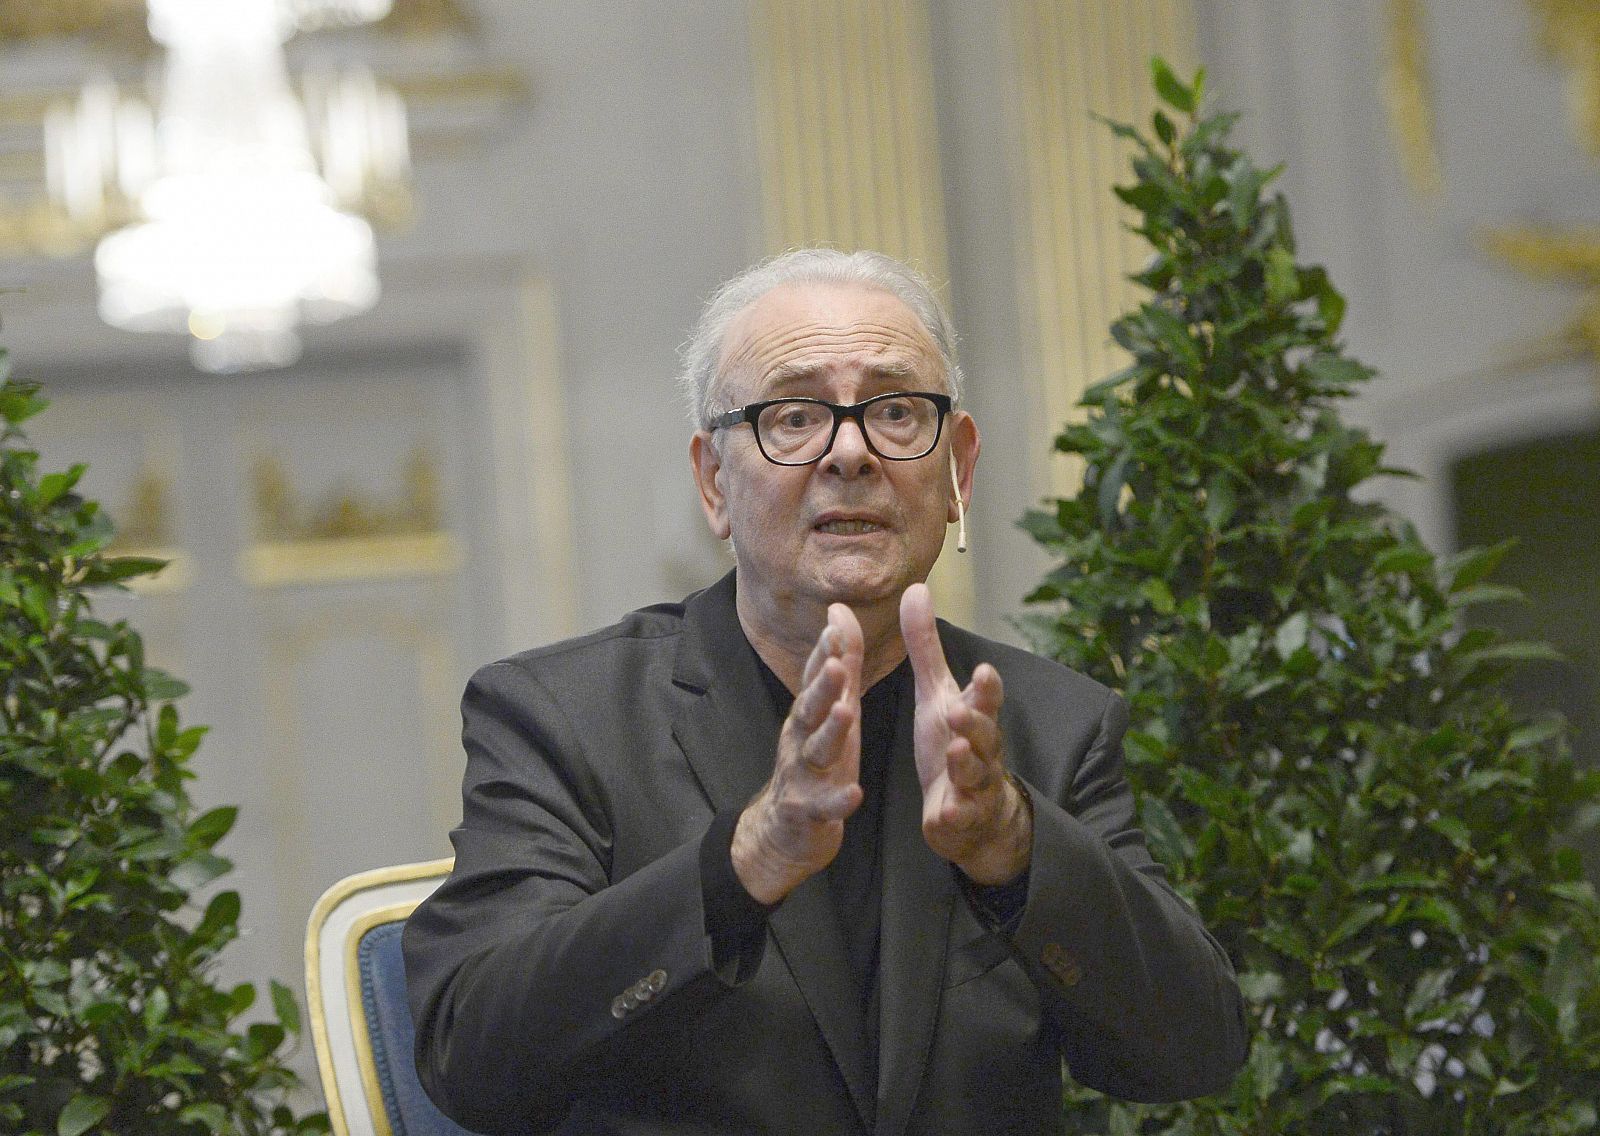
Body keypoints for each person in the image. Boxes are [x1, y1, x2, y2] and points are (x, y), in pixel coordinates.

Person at [403, 249, 1247, 1135]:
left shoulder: (1050, 724)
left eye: (893, 410)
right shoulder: (562, 719)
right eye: (795, 416)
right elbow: (474, 1057)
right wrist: (751, 857)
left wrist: (1011, 848)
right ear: (713, 481)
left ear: (958, 470)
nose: (851, 451)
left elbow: (1192, 1050)